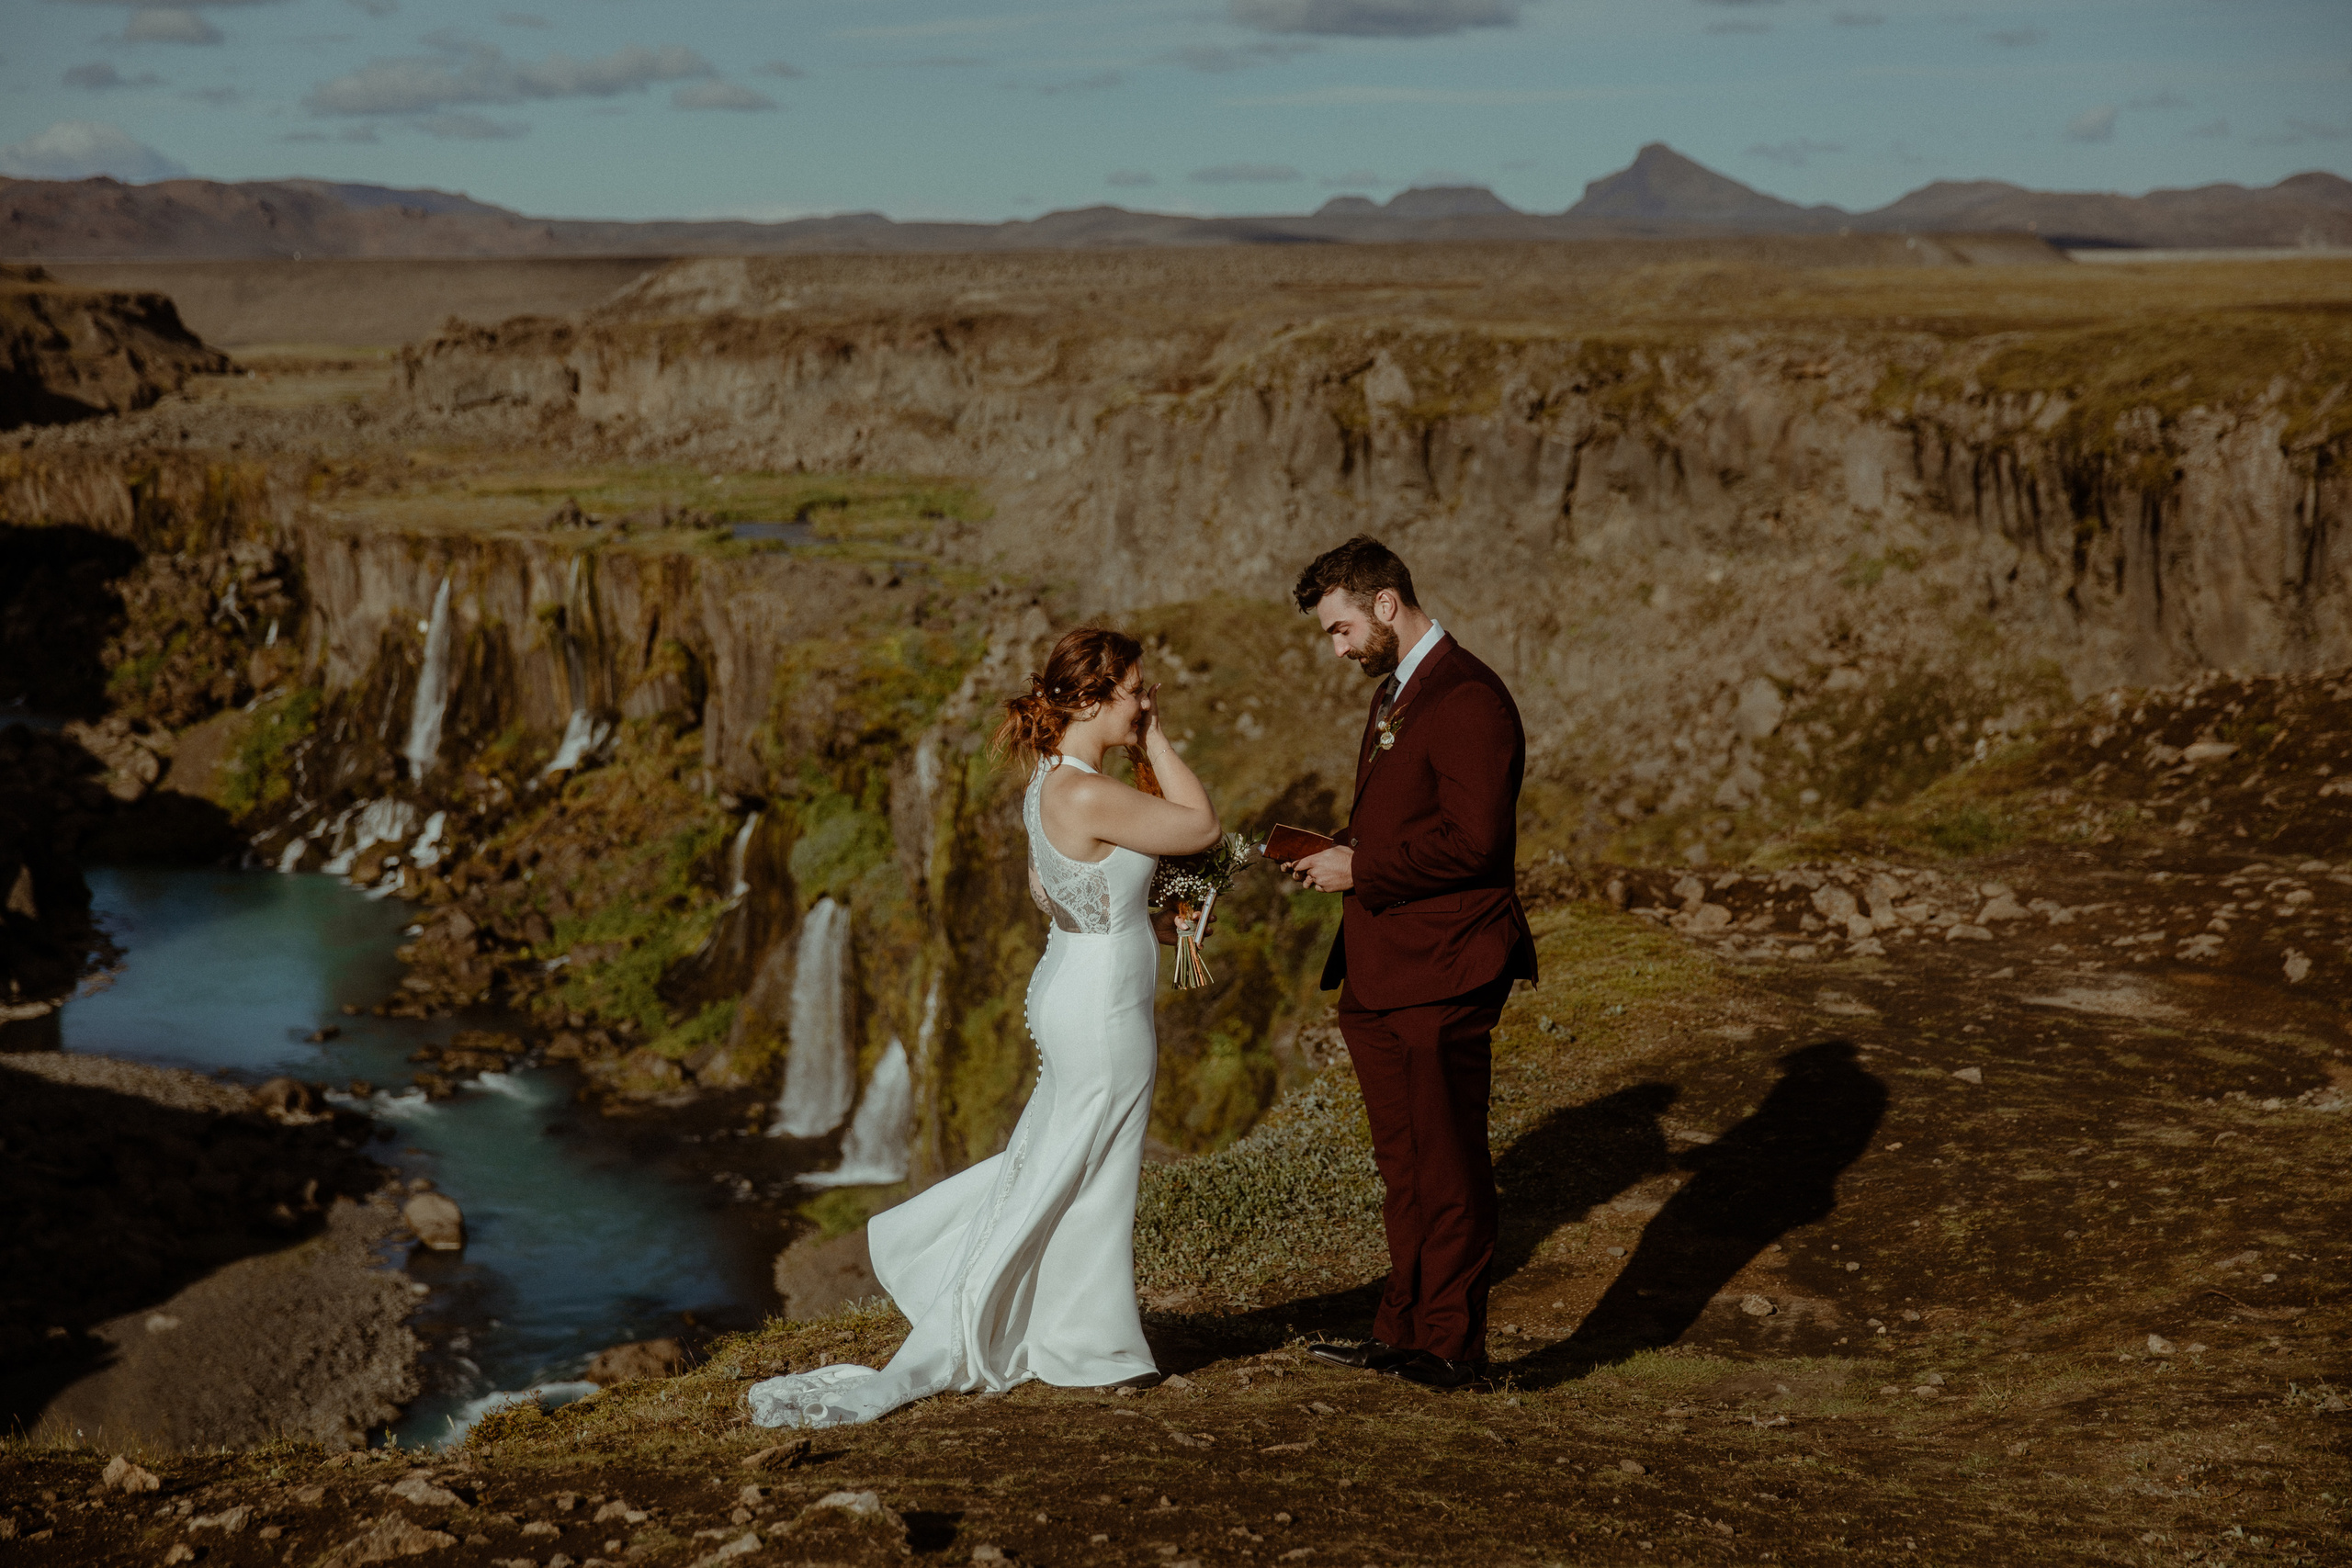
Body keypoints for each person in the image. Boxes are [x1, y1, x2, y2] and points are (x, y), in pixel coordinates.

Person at [745, 626, 1219, 1428]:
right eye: (1136, 689)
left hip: (1076, 977)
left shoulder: (1049, 784)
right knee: (1094, 1168)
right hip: (1100, 1005)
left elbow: (1057, 892)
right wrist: (1158, 739)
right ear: (1094, 700)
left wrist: (1148, 922)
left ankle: (1074, 1333)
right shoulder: (1085, 791)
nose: (1146, 701)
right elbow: (1201, 826)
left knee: (1070, 1159)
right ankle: (1090, 1346)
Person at [1282, 536, 1537, 1391]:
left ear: (1386, 603)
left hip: (1448, 964)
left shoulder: (1468, 697)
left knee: (1449, 1160)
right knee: (1404, 1166)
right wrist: (1334, 850)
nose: (1338, 647)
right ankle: (1401, 1331)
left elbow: (1476, 842)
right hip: (1384, 969)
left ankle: (1453, 1346)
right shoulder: (1397, 691)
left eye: (1342, 627)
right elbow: (1410, 822)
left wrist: (1362, 868)